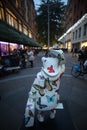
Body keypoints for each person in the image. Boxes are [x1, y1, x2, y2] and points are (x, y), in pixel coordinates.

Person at [25, 48, 65, 127]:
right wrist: (60, 56)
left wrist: (31, 95)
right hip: (54, 96)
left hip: (42, 97)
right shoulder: (59, 75)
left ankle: (41, 116)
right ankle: (52, 113)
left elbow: (35, 87)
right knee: (53, 105)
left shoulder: (40, 75)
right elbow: (62, 67)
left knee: (42, 105)